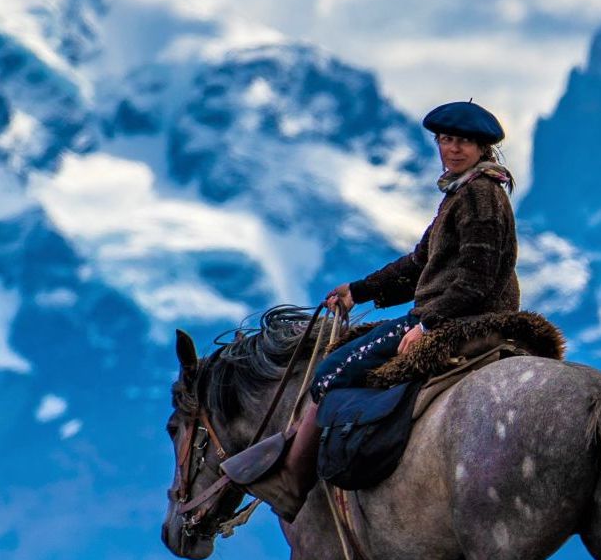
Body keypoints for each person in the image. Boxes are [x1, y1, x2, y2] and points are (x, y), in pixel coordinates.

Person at [223, 100, 520, 500]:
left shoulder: (479, 195)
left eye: (464, 142)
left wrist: (428, 324)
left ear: (484, 148)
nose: (453, 149)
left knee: (329, 372)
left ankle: (294, 477)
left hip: (462, 319)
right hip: (460, 313)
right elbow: (421, 263)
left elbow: (476, 279)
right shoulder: (463, 190)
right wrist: (359, 291)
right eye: (446, 140)